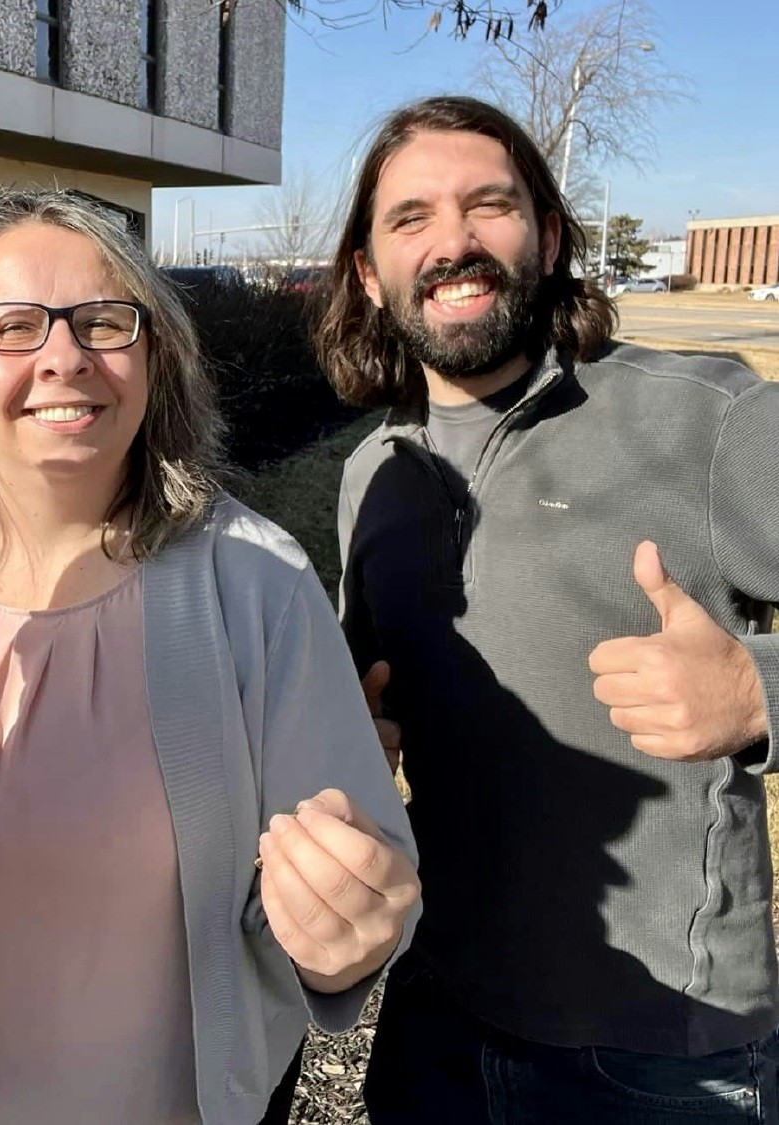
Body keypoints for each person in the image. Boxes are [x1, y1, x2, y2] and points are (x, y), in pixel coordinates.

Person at [0, 189, 420, 1125]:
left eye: (105, 322)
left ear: (155, 362)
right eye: (12, 325)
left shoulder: (253, 584)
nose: (65, 356)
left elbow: (343, 901)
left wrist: (346, 929)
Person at [311, 94, 779, 1122]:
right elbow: (368, 718)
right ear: (366, 272)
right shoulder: (373, 477)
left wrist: (757, 692)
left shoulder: (705, 420)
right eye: (411, 220)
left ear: (551, 235)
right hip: (434, 1025)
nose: (455, 243)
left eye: (491, 206)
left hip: (658, 1058)